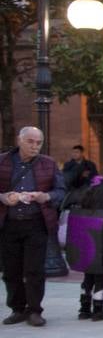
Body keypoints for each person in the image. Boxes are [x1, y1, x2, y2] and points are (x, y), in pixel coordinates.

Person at [1, 127, 66, 327]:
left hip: (36, 223)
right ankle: (17, 309)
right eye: (30, 141)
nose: (34, 146)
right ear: (19, 140)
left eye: (38, 142)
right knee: (11, 270)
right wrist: (3, 197)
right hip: (8, 223)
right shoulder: (3, 161)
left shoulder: (48, 163)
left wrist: (45, 196)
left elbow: (61, 191)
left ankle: (35, 310)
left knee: (34, 270)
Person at [67, 178, 103, 321]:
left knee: (87, 279)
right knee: (100, 280)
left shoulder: (80, 212)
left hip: (84, 252)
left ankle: (84, 309)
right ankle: (98, 310)